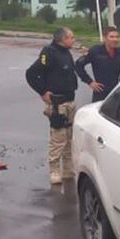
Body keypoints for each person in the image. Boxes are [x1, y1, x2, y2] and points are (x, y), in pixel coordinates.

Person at [25, 27, 79, 185]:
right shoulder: (49, 53)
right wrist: (42, 92)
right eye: (71, 37)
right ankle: (54, 171)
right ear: (62, 39)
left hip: (70, 101)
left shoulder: (66, 53)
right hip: (57, 104)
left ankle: (68, 169)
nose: (73, 40)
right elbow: (32, 73)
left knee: (70, 138)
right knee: (58, 139)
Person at [75, 25, 120, 103]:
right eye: (111, 37)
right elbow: (78, 65)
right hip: (100, 92)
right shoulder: (95, 51)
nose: (115, 39)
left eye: (117, 37)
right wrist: (90, 82)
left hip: (116, 92)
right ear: (105, 38)